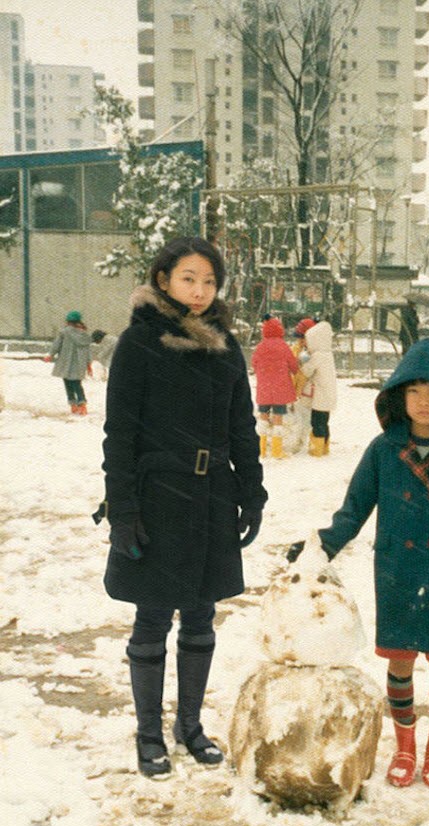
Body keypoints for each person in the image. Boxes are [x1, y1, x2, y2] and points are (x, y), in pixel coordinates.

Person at [94, 236, 267, 779]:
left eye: (209, 281)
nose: (199, 290)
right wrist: (122, 509)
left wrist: (251, 490)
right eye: (189, 278)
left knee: (201, 612)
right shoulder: (139, 342)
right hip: (158, 495)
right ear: (164, 279)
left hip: (213, 492)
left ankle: (188, 727)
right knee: (153, 613)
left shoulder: (225, 345)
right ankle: (149, 734)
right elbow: (119, 433)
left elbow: (242, 423)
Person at [287, 338, 429, 788]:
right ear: (398, 395)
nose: (424, 402)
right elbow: (354, 509)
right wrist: (320, 545)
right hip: (398, 575)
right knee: (399, 663)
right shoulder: (383, 451)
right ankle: (404, 747)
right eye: (415, 390)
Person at [251, 315, 299, 459]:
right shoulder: (283, 346)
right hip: (280, 389)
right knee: (278, 417)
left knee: (263, 416)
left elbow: (254, 363)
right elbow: (293, 366)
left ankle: (261, 449)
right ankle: (277, 451)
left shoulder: (260, 346)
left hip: (264, 388)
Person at [299, 319, 337, 456]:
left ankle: (317, 449)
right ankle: (325, 446)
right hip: (328, 395)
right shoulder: (327, 354)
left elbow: (307, 371)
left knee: (317, 423)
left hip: (320, 397)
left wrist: (302, 363)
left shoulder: (317, 356)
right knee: (324, 422)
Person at [45, 310, 92, 414]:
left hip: (65, 362)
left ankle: (73, 405)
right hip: (79, 364)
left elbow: (56, 345)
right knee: (77, 384)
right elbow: (88, 351)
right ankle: (83, 405)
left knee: (68, 383)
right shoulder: (84, 335)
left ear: (68, 321)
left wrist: (50, 355)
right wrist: (89, 364)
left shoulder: (64, 332)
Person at [290, 317, 318, 450]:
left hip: (308, 390)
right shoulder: (297, 349)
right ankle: (300, 440)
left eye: (303, 338)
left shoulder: (313, 353)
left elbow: (305, 373)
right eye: (299, 338)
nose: (300, 341)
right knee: (301, 417)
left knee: (307, 419)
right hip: (299, 390)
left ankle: (304, 441)